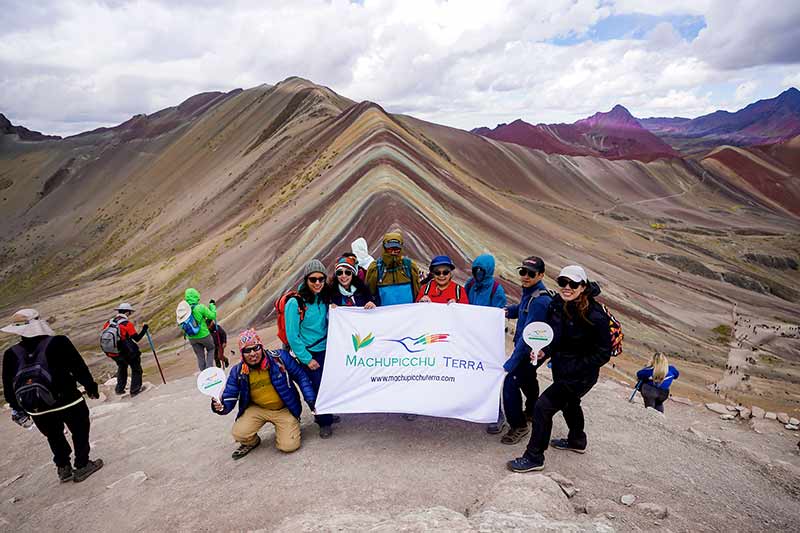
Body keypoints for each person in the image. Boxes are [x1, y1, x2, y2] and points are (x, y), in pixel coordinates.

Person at [508, 265, 612, 473]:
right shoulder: (558, 304)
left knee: (542, 407)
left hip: (580, 376)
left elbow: (603, 353)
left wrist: (575, 366)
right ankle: (577, 441)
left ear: (583, 287)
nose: (567, 287)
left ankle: (534, 457)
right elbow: (554, 337)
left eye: (573, 284)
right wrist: (543, 351)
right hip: (562, 369)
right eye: (563, 282)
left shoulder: (596, 315)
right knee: (570, 404)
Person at [2, 309, 103, 483]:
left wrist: (18, 408)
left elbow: (8, 385)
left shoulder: (11, 353)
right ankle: (82, 465)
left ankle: (63, 467)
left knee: (53, 435)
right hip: (67, 400)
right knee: (79, 429)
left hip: (36, 407)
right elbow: (78, 367)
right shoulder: (59, 342)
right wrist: (91, 387)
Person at [212, 329, 316, 459]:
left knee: (289, 446)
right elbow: (229, 395)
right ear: (242, 353)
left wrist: (310, 399)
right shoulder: (238, 371)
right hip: (257, 409)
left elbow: (301, 377)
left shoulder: (280, 358)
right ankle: (253, 442)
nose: (252, 353)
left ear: (261, 346)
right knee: (239, 434)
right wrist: (221, 406)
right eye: (247, 351)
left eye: (256, 348)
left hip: (284, 409)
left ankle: (291, 425)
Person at [501, 256, 553, 444]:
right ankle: (531, 410)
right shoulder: (531, 293)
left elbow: (528, 336)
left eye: (531, 273)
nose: (525, 276)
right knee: (528, 377)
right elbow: (523, 309)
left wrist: (511, 363)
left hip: (531, 351)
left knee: (510, 383)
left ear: (541, 275)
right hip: (534, 350)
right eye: (523, 272)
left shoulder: (539, 301)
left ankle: (519, 425)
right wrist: (507, 311)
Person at [285, 259, 335, 438]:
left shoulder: (323, 297)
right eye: (313, 279)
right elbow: (292, 335)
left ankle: (328, 413)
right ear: (306, 280)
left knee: (327, 384)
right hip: (310, 352)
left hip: (325, 349)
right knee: (316, 387)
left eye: (321, 279)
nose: (318, 283)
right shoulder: (295, 304)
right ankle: (323, 422)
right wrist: (307, 359)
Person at [465, 254, 508, 434]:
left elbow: (497, 314)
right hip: (469, 337)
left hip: (487, 340)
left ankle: (498, 415)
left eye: (482, 270)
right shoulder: (470, 285)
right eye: (476, 269)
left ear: (489, 270)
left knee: (489, 376)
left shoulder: (496, 289)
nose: (479, 273)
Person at [101, 303, 148, 396]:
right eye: (130, 312)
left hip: (114, 352)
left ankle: (119, 389)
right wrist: (144, 329)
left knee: (122, 367)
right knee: (136, 369)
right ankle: (135, 390)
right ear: (127, 312)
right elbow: (137, 338)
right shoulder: (127, 324)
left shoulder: (109, 322)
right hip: (127, 351)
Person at [365, 231, 421, 306]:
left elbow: (417, 292)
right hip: (384, 315)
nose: (393, 252)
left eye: (396, 249)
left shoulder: (409, 266)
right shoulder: (375, 268)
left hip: (408, 315)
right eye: (389, 249)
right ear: (384, 248)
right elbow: (369, 294)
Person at [183, 288, 217, 371]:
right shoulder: (200, 307)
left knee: (200, 356)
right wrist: (212, 306)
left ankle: (203, 373)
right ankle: (209, 370)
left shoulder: (183, 310)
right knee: (211, 349)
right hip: (204, 334)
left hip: (191, 337)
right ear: (196, 296)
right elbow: (212, 316)